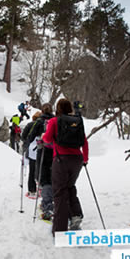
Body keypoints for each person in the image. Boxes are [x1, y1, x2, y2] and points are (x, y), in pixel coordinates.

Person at [42, 98, 89, 232]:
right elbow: (84, 141)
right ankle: (75, 215)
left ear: (58, 108)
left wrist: (44, 136)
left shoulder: (54, 121)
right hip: (77, 160)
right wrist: (85, 158)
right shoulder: (77, 121)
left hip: (61, 159)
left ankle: (59, 229)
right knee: (69, 187)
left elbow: (48, 138)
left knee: (60, 192)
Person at [30, 103, 55, 220]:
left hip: (43, 151)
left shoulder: (39, 122)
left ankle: (47, 206)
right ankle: (53, 202)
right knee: (53, 177)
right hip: (56, 153)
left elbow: (29, 136)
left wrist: (27, 144)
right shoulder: (56, 120)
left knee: (44, 178)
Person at [22, 111, 41, 198]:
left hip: (32, 151)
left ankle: (32, 190)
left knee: (32, 170)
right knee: (42, 169)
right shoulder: (45, 124)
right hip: (43, 150)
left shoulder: (30, 125)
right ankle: (42, 188)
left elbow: (23, 136)